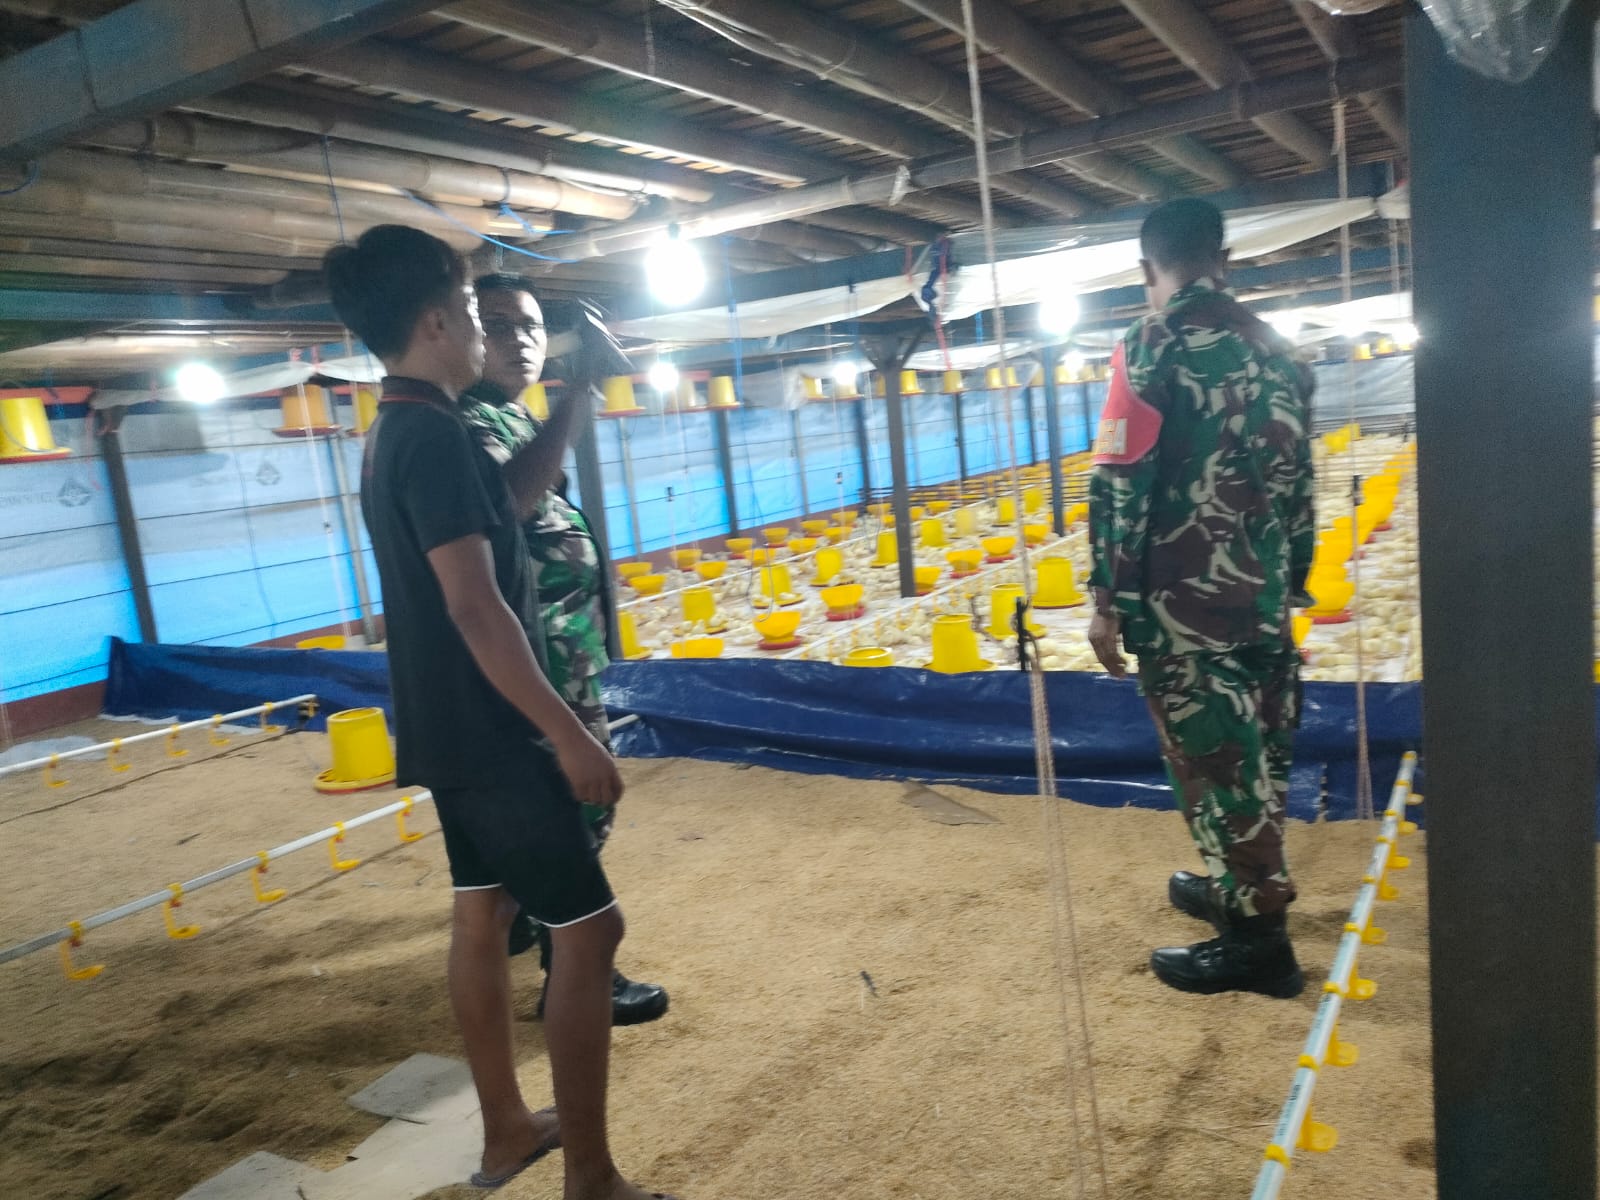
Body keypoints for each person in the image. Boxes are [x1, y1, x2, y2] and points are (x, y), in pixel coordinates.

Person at [328, 225, 676, 1199]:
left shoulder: (402, 427)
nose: (488, 330)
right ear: (438, 319)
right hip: (498, 730)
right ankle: (594, 1179)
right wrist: (564, 734)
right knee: (589, 932)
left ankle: (507, 1132)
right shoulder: (434, 436)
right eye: (477, 311)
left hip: (446, 729)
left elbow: (511, 502)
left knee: (481, 914)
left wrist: (571, 394)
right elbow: (475, 605)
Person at [1086, 198, 1315, 1000]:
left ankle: (1259, 944)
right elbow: (1300, 484)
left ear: (1149, 270)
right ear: (1226, 259)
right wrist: (1293, 579)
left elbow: (1121, 482)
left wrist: (1105, 596)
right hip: (1263, 597)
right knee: (1259, 753)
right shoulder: (1280, 351)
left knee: (1214, 764)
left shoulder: (1147, 347)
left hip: (1185, 608)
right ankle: (1238, 880)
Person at [460, 271, 667, 1026]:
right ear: (461, 331)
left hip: (563, 651)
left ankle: (540, 926)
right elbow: (508, 503)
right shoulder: (470, 420)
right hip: (539, 662)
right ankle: (572, 974)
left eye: (531, 326)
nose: (520, 339)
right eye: (499, 323)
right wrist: (576, 400)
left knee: (560, 810)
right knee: (577, 811)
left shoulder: (510, 417)